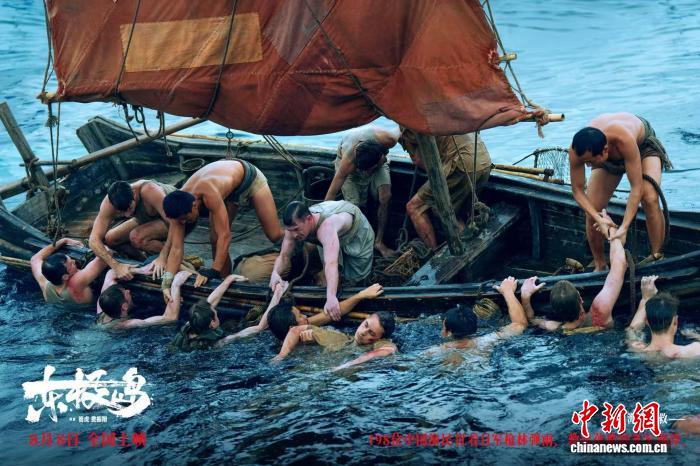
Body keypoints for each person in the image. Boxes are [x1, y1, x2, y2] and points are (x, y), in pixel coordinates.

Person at [160, 160, 283, 301]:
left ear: (194, 206)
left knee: (274, 235)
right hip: (225, 187)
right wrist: (166, 284)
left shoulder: (209, 193)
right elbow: (176, 249)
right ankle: (225, 282)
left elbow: (225, 235)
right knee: (214, 239)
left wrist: (213, 271)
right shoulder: (177, 204)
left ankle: (300, 243)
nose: (182, 223)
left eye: (185, 219)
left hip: (249, 177)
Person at [568, 113, 672, 271]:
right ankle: (600, 264)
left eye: (590, 162)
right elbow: (577, 190)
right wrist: (598, 218)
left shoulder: (624, 139)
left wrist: (624, 228)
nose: (588, 166)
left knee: (649, 198)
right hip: (604, 154)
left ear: (605, 151)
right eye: (584, 162)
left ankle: (656, 257)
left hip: (641, 146)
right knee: (592, 210)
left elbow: (636, 187)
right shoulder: (577, 151)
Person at [521, 210, 626, 331]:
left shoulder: (553, 327)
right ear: (580, 299)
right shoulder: (600, 312)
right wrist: (611, 229)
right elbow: (619, 265)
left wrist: (525, 297)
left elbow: (532, 320)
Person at [270, 201, 375, 320]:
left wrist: (331, 298)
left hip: (355, 233)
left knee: (356, 279)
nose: (294, 235)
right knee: (329, 277)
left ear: (309, 219)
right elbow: (284, 256)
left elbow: (331, 263)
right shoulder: (293, 228)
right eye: (290, 230)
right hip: (327, 239)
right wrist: (275, 273)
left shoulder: (326, 228)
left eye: (296, 229)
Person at [398, 129, 492, 250]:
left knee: (415, 207)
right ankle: (468, 243)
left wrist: (406, 142)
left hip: (461, 164)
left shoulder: (407, 126)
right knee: (458, 208)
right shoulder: (451, 116)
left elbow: (418, 160)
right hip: (485, 162)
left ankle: (435, 254)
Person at [217, 282, 384, 347]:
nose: (305, 317)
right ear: (293, 327)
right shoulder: (302, 338)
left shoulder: (279, 329)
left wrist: (361, 295)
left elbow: (333, 312)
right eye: (300, 316)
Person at [325, 125, 399, 257]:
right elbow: (332, 191)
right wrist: (322, 218)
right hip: (355, 164)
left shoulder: (388, 139)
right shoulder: (348, 162)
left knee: (385, 196)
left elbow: (403, 128)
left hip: (377, 160)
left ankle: (378, 242)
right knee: (355, 206)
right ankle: (360, 243)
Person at [89, 180, 176, 281]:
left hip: (176, 219)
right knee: (111, 238)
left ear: (134, 194)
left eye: (129, 208)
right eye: (121, 212)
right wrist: (116, 266)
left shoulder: (150, 190)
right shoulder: (109, 203)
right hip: (146, 218)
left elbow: (175, 224)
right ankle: (142, 262)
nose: (127, 215)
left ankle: (176, 259)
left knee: (136, 237)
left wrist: (163, 256)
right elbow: (93, 240)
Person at [272, 309, 396, 371]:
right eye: (365, 325)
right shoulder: (337, 337)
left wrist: (347, 365)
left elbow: (387, 350)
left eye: (371, 333)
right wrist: (281, 356)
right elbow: (296, 330)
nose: (363, 332)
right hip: (312, 371)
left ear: (381, 338)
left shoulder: (379, 344)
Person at [430, 276, 528, 353]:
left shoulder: (436, 351)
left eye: (443, 327)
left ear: (448, 332)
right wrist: (508, 292)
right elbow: (519, 324)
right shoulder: (485, 342)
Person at [96, 263, 190, 330]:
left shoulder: (102, 306)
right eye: (126, 293)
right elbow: (170, 318)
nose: (128, 290)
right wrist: (175, 285)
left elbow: (111, 273)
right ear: (124, 307)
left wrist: (142, 270)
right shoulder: (128, 324)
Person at [626, 275, 700, 359]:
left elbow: (632, 330)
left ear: (646, 321)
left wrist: (645, 298)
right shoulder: (693, 351)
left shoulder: (638, 350)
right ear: (675, 321)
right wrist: (695, 335)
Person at [30, 238, 107, 305]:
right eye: (71, 264)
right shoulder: (76, 283)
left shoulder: (44, 284)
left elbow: (34, 259)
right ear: (65, 276)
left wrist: (63, 241)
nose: (74, 261)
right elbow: (105, 255)